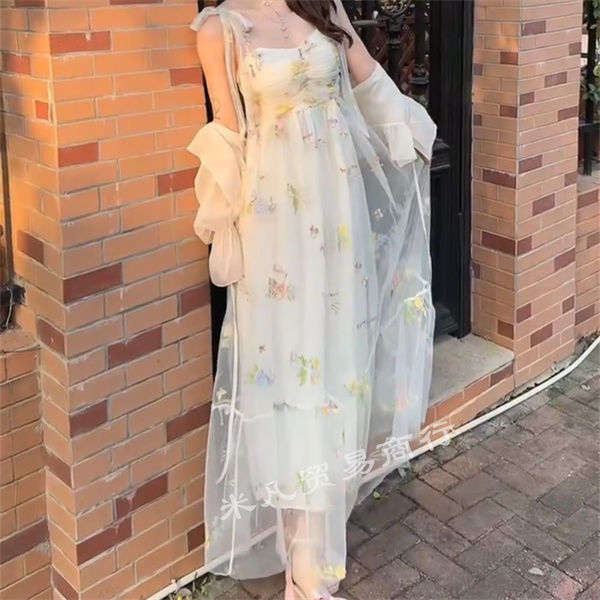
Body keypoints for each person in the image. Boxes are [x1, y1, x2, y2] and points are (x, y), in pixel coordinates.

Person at [186, 1, 437, 598]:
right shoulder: (221, 29)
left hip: (338, 216)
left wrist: (410, 129)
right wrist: (224, 224)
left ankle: (315, 552)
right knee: (288, 375)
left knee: (334, 369)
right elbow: (228, 131)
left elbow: (367, 76)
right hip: (276, 227)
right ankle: (304, 565)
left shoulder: (322, 6)